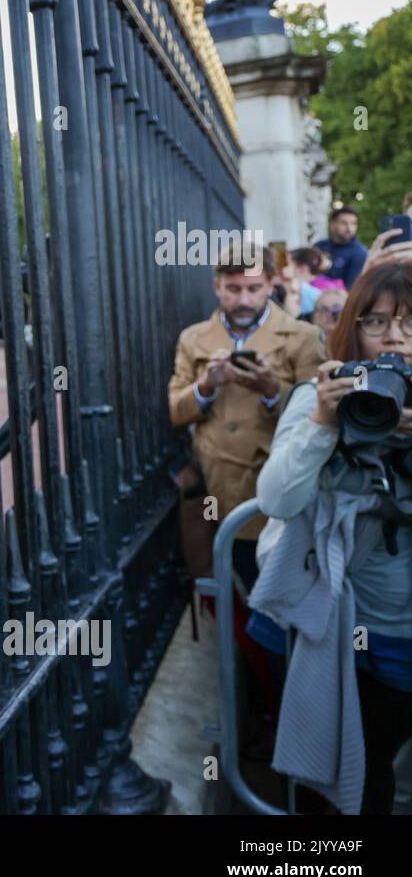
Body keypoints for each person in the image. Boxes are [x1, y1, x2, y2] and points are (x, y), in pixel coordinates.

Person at [250, 262, 412, 814]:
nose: (395, 338)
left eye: (410, 324)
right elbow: (276, 499)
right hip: (357, 634)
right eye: (378, 322)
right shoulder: (324, 397)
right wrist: (324, 419)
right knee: (362, 778)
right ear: (353, 333)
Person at [168, 243, 327, 746]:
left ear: (271, 284)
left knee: (280, 614)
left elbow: (322, 420)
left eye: (254, 287)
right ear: (217, 286)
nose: (243, 297)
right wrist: (207, 387)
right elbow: (175, 409)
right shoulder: (195, 338)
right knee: (235, 608)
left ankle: (297, 722)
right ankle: (264, 714)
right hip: (219, 497)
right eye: (232, 287)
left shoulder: (302, 336)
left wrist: (271, 390)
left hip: (278, 499)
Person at [314, 206, 369, 290]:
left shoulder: (360, 253)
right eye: (344, 223)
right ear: (332, 224)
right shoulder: (320, 246)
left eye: (353, 223)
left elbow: (350, 289)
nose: (349, 228)